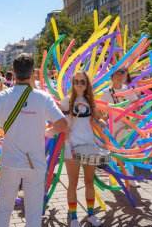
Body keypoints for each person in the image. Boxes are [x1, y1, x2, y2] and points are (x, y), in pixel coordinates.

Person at [0, 53, 70, 227]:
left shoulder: (1, 97)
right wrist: (47, 133)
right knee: (34, 214)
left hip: (10, 161)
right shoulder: (43, 97)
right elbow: (62, 123)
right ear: (33, 72)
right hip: (35, 163)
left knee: (4, 210)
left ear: (13, 72)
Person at [56, 71, 103, 227]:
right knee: (73, 183)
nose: (79, 84)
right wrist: (63, 129)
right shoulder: (66, 101)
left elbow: (97, 116)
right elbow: (54, 118)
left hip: (89, 144)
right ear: (72, 83)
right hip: (72, 146)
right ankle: (74, 217)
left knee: (89, 182)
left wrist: (102, 120)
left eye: (83, 82)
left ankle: (90, 215)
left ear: (87, 84)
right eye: (77, 81)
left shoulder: (90, 101)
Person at [101, 67, 139, 187]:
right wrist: (104, 118)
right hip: (113, 128)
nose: (119, 77)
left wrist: (131, 118)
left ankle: (131, 178)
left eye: (121, 75)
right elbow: (103, 110)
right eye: (116, 75)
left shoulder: (128, 90)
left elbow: (135, 106)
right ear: (111, 77)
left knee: (130, 151)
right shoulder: (107, 92)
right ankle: (112, 178)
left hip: (127, 126)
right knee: (113, 153)